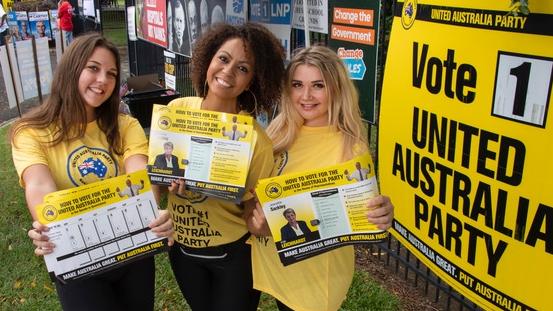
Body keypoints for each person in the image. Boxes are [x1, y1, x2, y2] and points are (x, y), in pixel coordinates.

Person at [10, 33, 174, 310]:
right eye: (93, 68)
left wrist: (151, 207)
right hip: (77, 258)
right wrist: (47, 224)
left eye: (111, 74)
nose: (103, 81)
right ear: (71, 68)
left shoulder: (126, 126)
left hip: (132, 251)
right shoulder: (30, 132)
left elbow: (141, 179)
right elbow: (39, 186)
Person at [246, 46, 395, 311]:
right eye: (297, 84)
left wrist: (380, 213)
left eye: (318, 85)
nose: (306, 96)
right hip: (279, 266)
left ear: (336, 88)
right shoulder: (279, 131)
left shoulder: (350, 147)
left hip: (316, 279)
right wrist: (257, 222)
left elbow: (365, 215)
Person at [166, 23, 285, 311]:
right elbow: (155, 183)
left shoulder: (255, 140)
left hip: (234, 258)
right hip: (183, 251)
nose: (228, 72)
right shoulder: (176, 111)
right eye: (223, 58)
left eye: (243, 68)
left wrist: (259, 219)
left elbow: (253, 211)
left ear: (253, 80)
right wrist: (163, 184)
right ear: (208, 59)